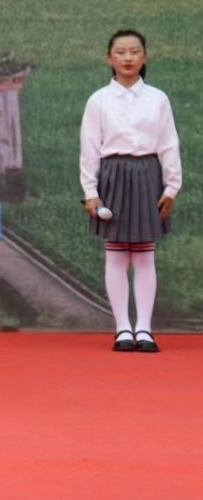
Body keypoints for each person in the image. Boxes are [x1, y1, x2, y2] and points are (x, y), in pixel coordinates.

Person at [80, 29, 180, 353]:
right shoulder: (98, 100)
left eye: (134, 51)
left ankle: (144, 329)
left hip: (148, 174)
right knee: (117, 253)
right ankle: (123, 327)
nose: (127, 57)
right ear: (109, 58)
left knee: (145, 254)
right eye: (120, 52)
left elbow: (168, 144)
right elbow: (89, 149)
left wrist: (172, 187)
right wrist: (90, 191)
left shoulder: (158, 98)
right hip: (112, 175)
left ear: (144, 57)